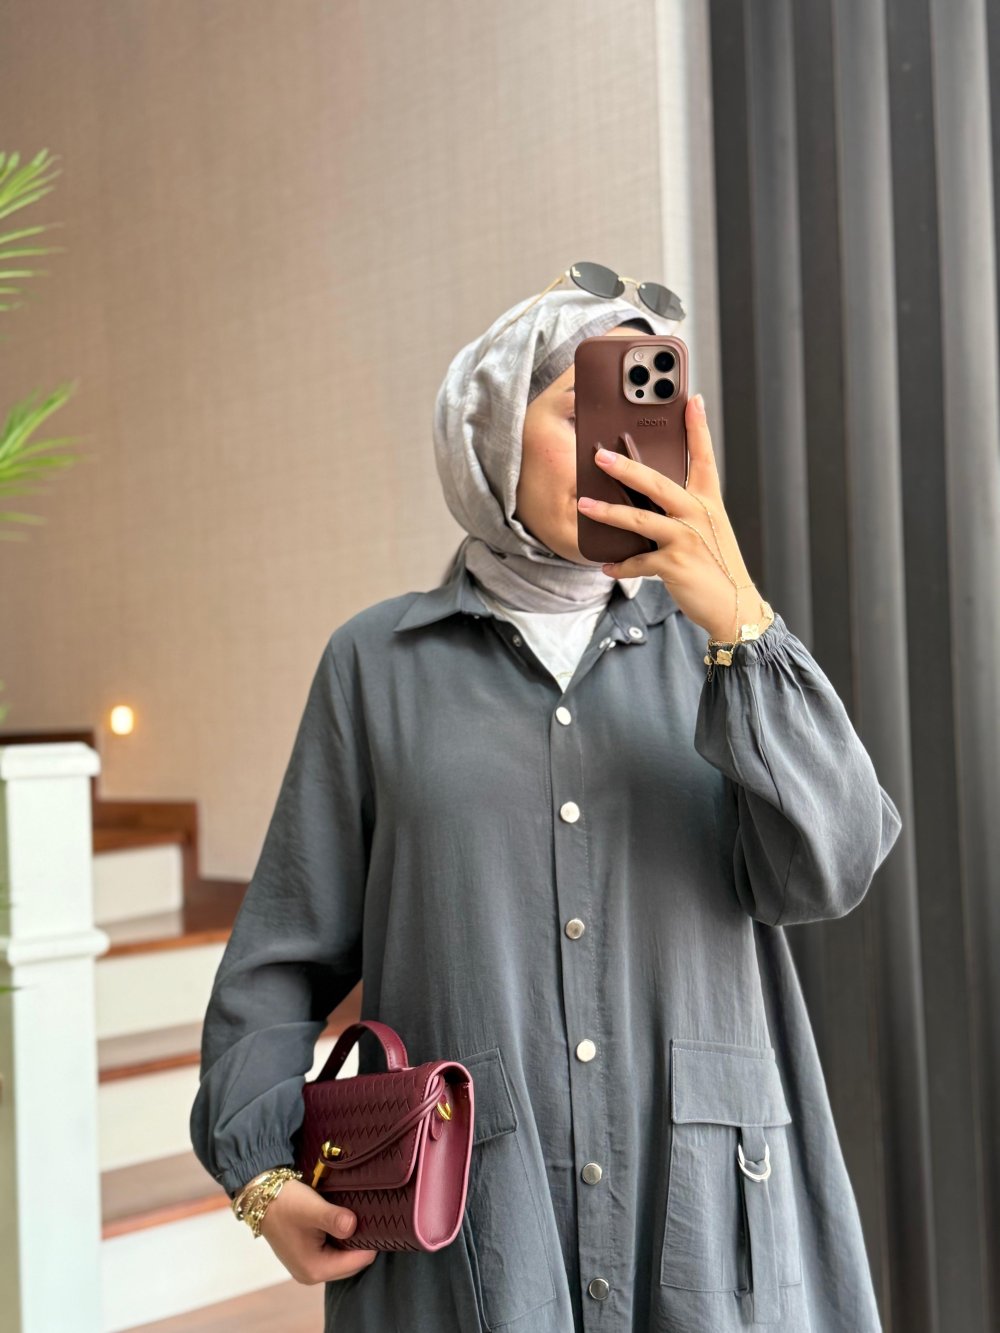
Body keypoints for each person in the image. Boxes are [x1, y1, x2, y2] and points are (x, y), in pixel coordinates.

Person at [190, 285, 903, 1332]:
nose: (620, 448)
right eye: (583, 408)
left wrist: (741, 623)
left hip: (712, 1221)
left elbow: (833, 865)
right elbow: (279, 958)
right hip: (474, 1234)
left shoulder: (722, 656)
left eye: (650, 416)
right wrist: (261, 1173)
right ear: (487, 426)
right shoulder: (377, 665)